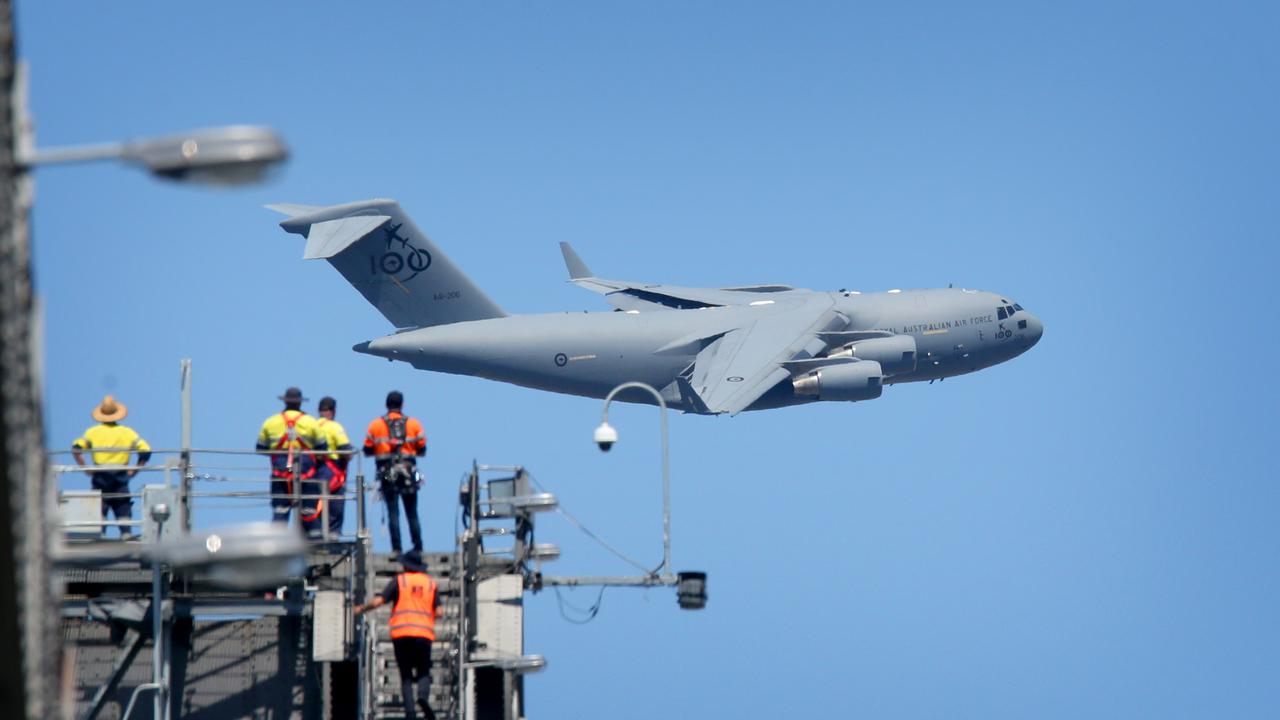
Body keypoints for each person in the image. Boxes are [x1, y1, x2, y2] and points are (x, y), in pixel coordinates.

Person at [355, 550, 438, 720]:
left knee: (406, 675)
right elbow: (440, 611)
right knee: (423, 671)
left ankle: (410, 713)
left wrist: (361, 609)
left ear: (406, 565)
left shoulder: (400, 581)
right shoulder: (430, 583)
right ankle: (423, 696)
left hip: (402, 634)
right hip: (424, 634)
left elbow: (379, 601)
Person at [72, 395, 152, 540]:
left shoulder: (93, 432)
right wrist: (135, 470)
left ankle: (100, 533)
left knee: (100, 503)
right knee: (122, 504)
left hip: (100, 473)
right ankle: (125, 533)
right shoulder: (127, 432)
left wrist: (85, 468)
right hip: (120, 474)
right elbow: (146, 451)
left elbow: (76, 448)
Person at [256, 387, 328, 536]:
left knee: (280, 512)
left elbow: (261, 448)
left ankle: (275, 546)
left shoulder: (271, 422)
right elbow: (323, 448)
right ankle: (317, 545)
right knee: (309, 513)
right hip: (306, 472)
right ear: (300, 403)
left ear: (285, 402)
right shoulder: (311, 422)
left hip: (280, 472)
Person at [364, 390, 427, 554]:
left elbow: (367, 449)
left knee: (393, 512)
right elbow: (422, 449)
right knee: (412, 512)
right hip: (408, 473)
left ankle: (397, 549)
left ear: (386, 405)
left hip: (387, 474)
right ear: (402, 405)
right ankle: (418, 547)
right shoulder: (414, 424)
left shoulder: (376, 425)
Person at [315, 395, 353, 537]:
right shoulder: (334, 427)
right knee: (335, 503)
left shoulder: (312, 426)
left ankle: (314, 533)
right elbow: (345, 450)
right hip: (332, 472)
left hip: (311, 472)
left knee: (314, 502)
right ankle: (333, 534)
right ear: (333, 410)